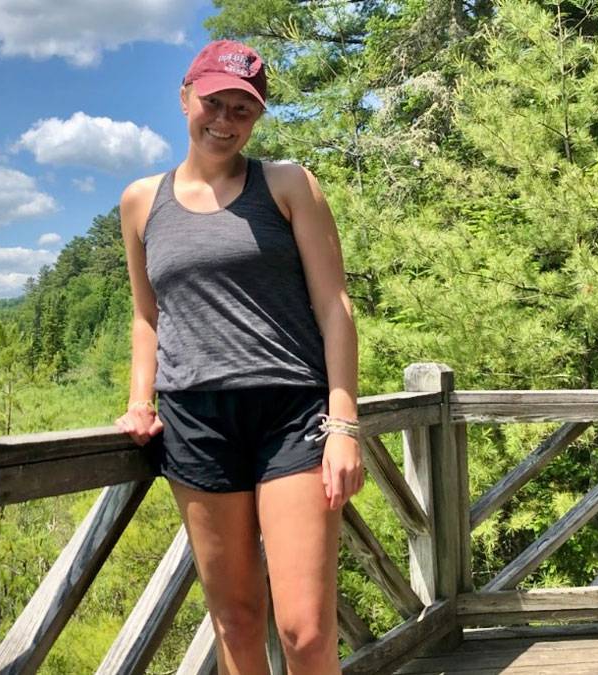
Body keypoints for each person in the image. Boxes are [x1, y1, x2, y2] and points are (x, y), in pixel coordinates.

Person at [114, 39, 363, 675]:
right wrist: (140, 401)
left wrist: (344, 423)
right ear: (184, 97)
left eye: (242, 111)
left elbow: (335, 307)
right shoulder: (142, 201)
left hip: (292, 414)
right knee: (237, 620)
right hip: (196, 419)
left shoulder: (286, 184)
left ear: (257, 118)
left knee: (305, 628)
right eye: (213, 103)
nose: (224, 121)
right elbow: (148, 316)